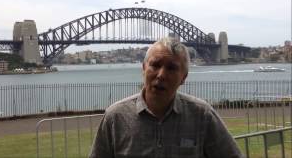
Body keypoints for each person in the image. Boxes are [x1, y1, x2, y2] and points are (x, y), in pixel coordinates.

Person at [89, 37, 243, 158]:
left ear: (184, 77)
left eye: (171, 68)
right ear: (144, 69)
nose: (161, 75)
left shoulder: (202, 116)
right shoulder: (115, 117)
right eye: (155, 65)